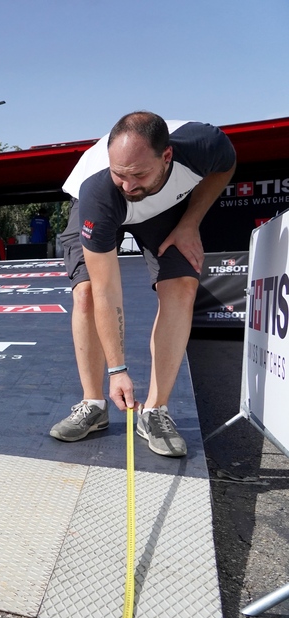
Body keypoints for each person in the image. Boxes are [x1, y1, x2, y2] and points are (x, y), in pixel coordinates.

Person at [49, 111, 236, 457]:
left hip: (166, 209)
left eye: (138, 175)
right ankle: (93, 404)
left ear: (167, 157)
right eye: (121, 174)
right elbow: (108, 290)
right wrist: (117, 370)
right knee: (88, 293)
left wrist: (190, 222)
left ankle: (154, 411)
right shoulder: (102, 190)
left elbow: (226, 166)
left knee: (182, 286)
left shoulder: (204, 145)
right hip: (100, 205)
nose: (130, 185)